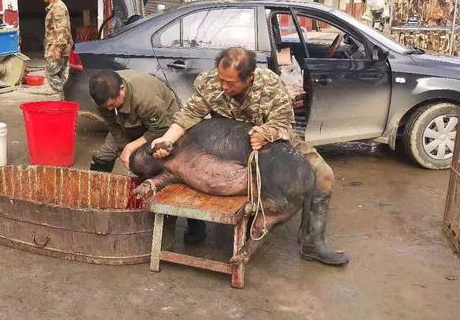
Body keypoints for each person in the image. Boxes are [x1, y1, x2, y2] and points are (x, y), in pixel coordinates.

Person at [151, 47, 349, 266]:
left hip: (273, 143)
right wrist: (167, 140)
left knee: (324, 176)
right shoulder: (210, 82)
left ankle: (313, 242)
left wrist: (267, 133)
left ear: (250, 78)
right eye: (221, 80)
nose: (224, 87)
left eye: (231, 83)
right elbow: (189, 115)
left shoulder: (271, 86)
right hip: (228, 142)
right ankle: (201, 226)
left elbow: (285, 124)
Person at [89, 69, 206, 243]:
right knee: (102, 156)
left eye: (113, 104)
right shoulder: (104, 98)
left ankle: (197, 227)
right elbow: (113, 126)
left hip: (164, 123)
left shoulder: (146, 98)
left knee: (173, 167)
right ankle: (95, 207)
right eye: (106, 107)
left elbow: (159, 129)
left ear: (122, 89)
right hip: (127, 123)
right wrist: (124, 149)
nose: (109, 108)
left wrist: (132, 148)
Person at [41, 0, 73, 95]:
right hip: (60, 47)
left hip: (57, 48)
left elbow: (62, 29)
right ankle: (68, 98)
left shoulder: (58, 7)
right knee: (61, 75)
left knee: (50, 74)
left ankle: (66, 94)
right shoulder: (55, 6)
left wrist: (58, 48)